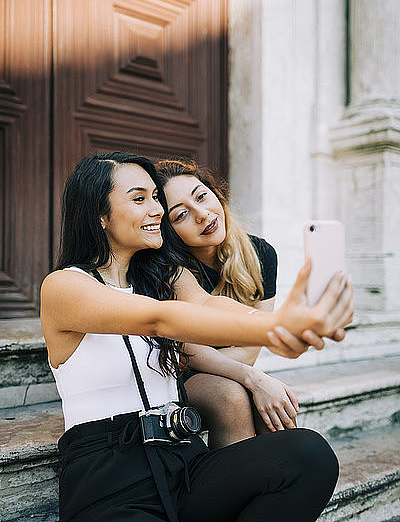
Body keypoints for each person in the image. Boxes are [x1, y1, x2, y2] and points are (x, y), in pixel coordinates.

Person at [40, 152, 353, 522]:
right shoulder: (64, 286)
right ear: (100, 216)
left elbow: (206, 304)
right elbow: (160, 320)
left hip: (183, 462)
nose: (156, 209)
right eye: (139, 199)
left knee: (308, 455)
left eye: (156, 197)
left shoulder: (162, 275)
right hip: (109, 476)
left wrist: (286, 320)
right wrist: (273, 328)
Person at [157, 158, 346, 448]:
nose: (202, 214)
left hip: (228, 369)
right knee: (232, 395)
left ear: (215, 194)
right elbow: (188, 356)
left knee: (276, 408)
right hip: (176, 375)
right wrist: (253, 379)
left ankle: (279, 487)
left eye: (202, 196)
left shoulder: (260, 253)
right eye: (181, 215)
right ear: (169, 232)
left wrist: (250, 375)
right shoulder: (170, 268)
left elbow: (249, 352)